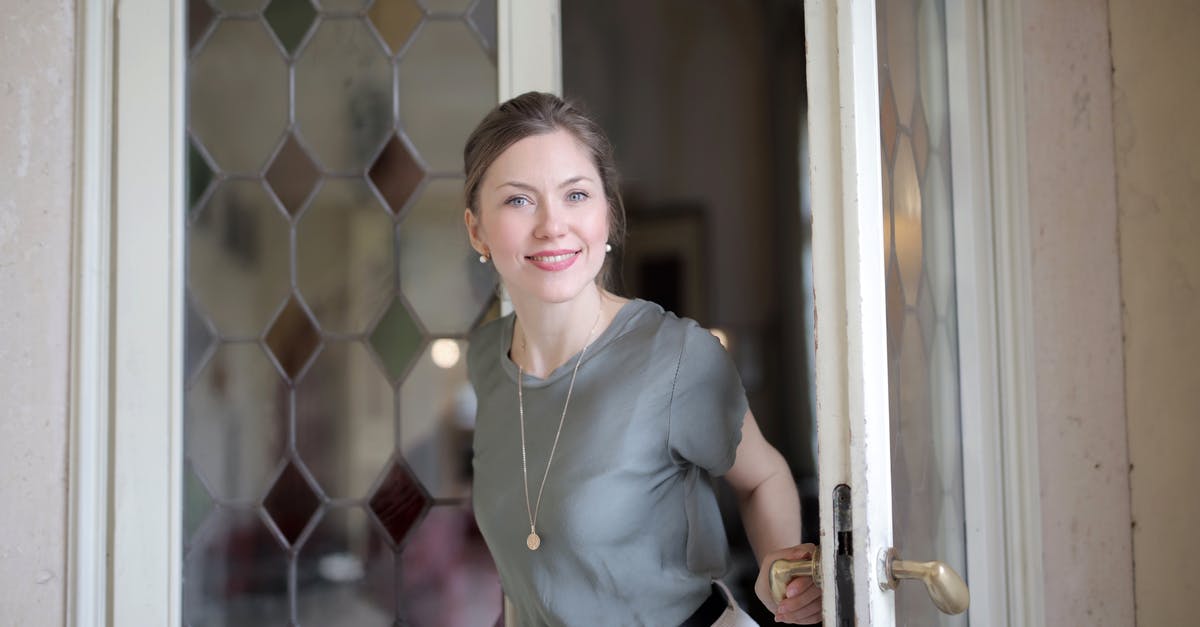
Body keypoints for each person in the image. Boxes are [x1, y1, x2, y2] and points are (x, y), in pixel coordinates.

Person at [462, 91, 821, 626]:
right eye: (519, 200)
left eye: (576, 195)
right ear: (477, 230)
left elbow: (763, 475)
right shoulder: (485, 362)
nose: (552, 225)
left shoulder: (674, 356)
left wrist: (779, 570)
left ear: (606, 211)